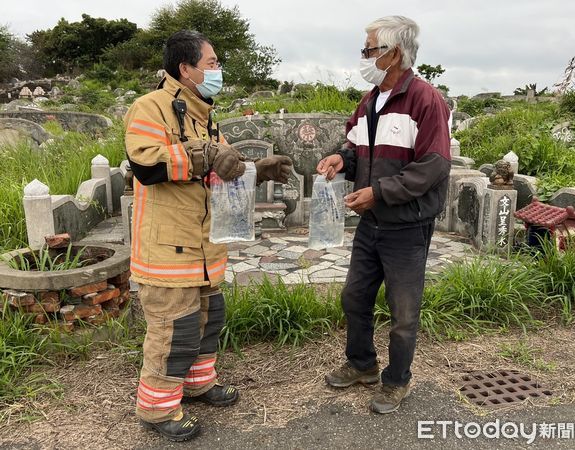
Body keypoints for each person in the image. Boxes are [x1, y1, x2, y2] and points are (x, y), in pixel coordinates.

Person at [124, 30, 292, 441]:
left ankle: (198, 384)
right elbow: (146, 166)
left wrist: (257, 169)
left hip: (203, 248)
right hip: (168, 249)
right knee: (174, 330)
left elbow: (223, 170)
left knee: (207, 320)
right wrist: (204, 155)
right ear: (186, 68)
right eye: (213, 63)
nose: (218, 70)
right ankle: (157, 408)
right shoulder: (149, 108)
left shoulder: (203, 116)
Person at [317, 15, 451, 414]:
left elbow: (433, 167)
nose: (364, 56)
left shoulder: (425, 100)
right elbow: (358, 150)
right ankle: (363, 365)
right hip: (371, 223)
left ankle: (397, 381)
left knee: (403, 311)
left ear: (394, 53)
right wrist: (341, 160)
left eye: (369, 49)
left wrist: (378, 193)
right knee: (354, 297)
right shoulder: (370, 100)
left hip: (406, 227)